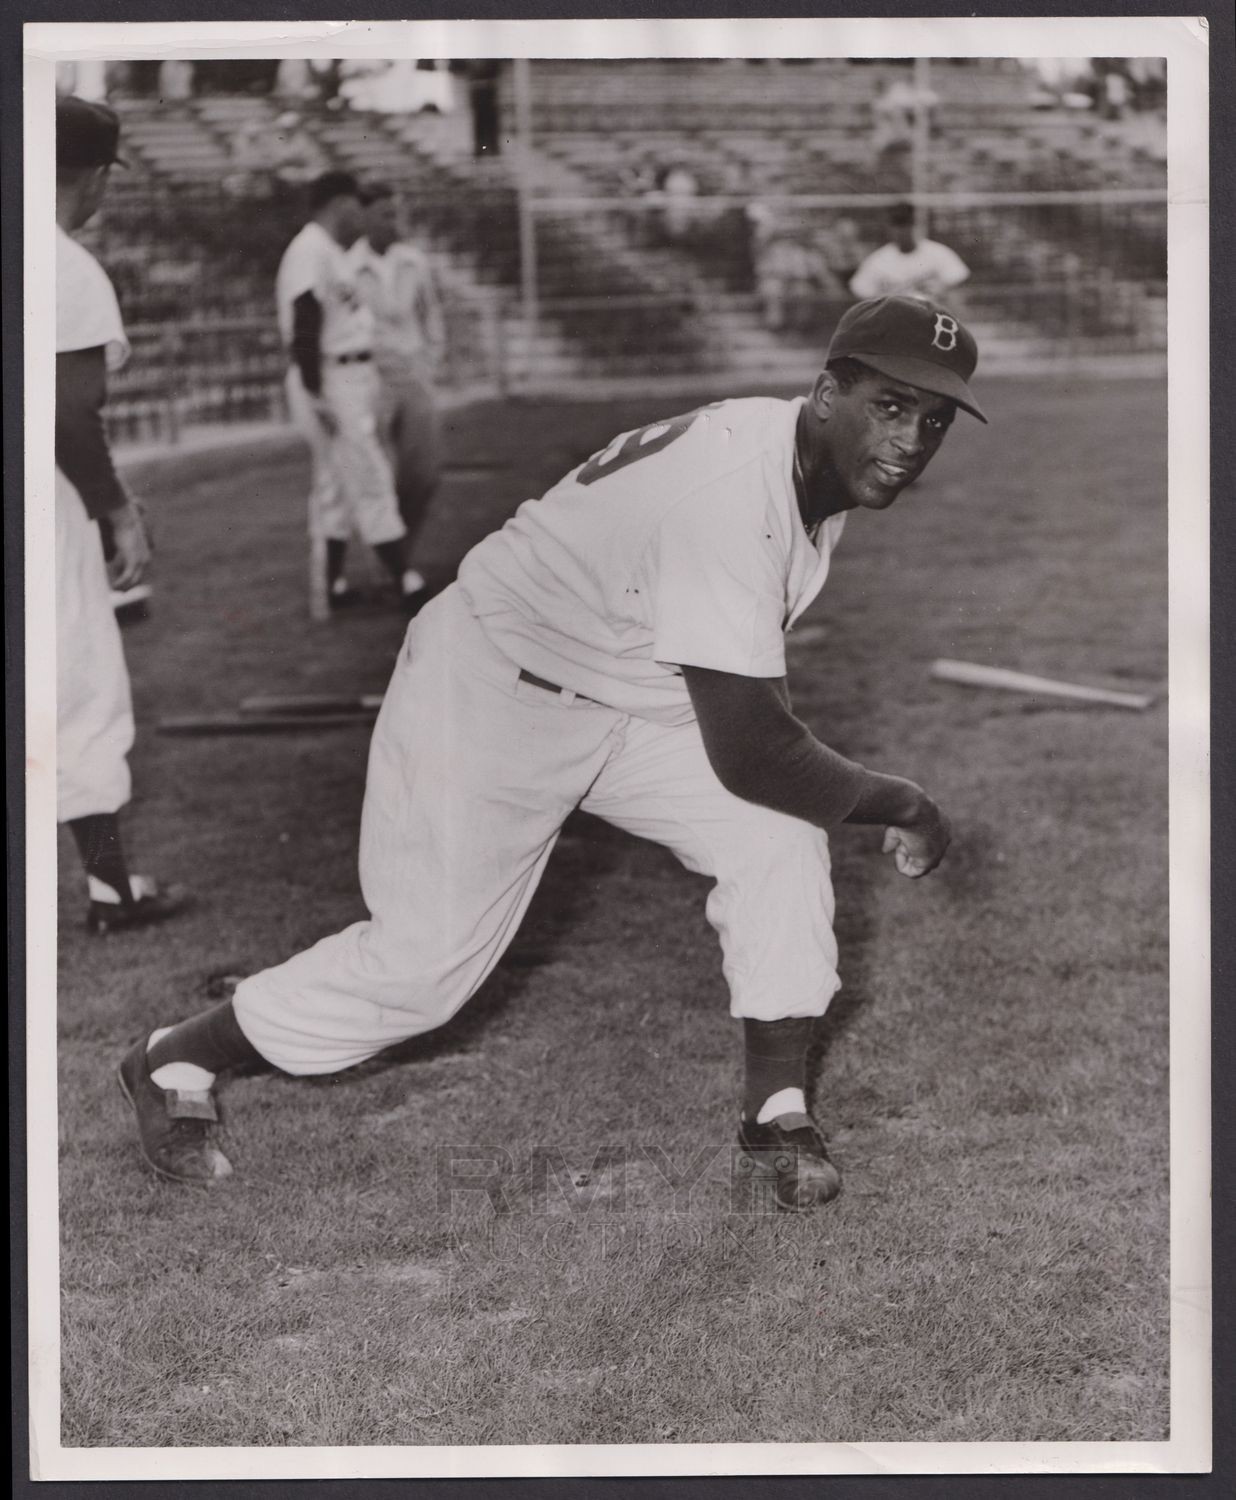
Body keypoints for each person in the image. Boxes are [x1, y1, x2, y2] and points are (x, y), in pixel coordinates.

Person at [117, 296, 986, 1211]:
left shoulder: (802, 461)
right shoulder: (736, 496)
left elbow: (748, 728)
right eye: (890, 407)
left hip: (623, 689)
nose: (913, 438)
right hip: (494, 685)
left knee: (777, 839)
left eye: (932, 419)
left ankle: (775, 1111)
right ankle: (174, 1055)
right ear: (825, 393)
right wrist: (906, 804)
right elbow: (756, 752)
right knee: (422, 973)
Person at [54, 96, 187, 935]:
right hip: (38, 499)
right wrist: (119, 514)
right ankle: (111, 891)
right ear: (96, 175)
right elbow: (68, 416)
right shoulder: (64, 264)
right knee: (79, 687)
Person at [275, 171, 425, 613]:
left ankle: (333, 587)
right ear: (340, 204)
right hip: (329, 376)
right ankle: (405, 580)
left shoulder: (329, 251)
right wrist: (316, 394)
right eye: (358, 205)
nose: (362, 215)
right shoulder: (310, 249)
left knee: (336, 485)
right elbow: (304, 323)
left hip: (347, 375)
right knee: (371, 475)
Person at [350, 183, 445, 562]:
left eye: (397, 213)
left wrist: (429, 362)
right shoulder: (348, 265)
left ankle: (401, 550)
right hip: (370, 377)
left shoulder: (413, 261)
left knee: (424, 473)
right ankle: (389, 563)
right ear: (365, 218)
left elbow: (431, 315)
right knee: (377, 476)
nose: (394, 222)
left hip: (413, 373)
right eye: (385, 215)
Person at [849, 204, 970, 307]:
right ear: (889, 227)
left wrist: (941, 288)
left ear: (914, 225)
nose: (902, 230)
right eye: (897, 225)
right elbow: (860, 289)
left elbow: (959, 277)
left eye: (906, 224)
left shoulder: (938, 252)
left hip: (933, 319)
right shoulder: (878, 259)